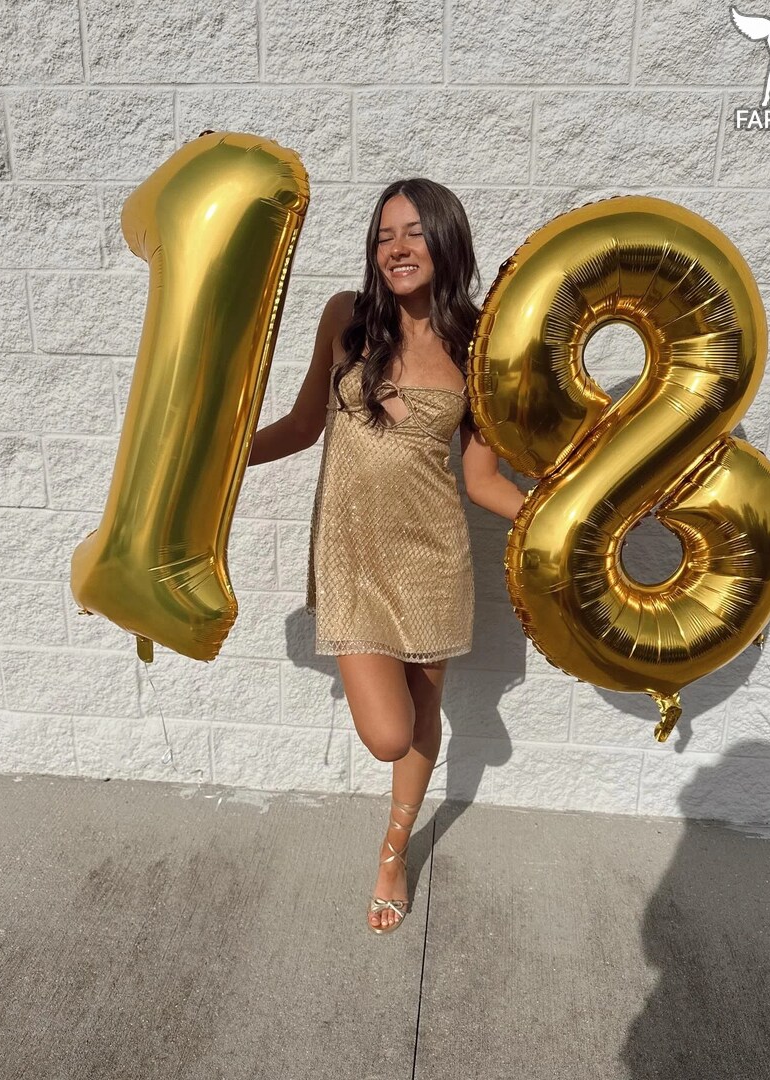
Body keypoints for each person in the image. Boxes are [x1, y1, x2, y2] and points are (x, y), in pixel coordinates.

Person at [248, 178, 526, 933]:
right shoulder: (347, 317)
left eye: (412, 233)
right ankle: (397, 834)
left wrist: (565, 518)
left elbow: (481, 480)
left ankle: (393, 854)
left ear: (445, 240)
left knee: (425, 710)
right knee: (389, 734)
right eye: (383, 236)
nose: (396, 249)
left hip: (432, 560)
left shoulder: (476, 346)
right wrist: (227, 459)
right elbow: (304, 425)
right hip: (352, 559)